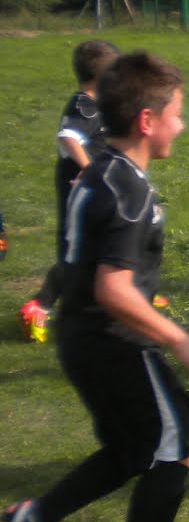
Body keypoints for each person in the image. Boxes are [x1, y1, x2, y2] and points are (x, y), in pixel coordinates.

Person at [6, 51, 189, 522]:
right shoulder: (128, 189)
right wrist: (182, 340)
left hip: (83, 337)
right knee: (177, 447)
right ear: (147, 120)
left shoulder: (102, 169)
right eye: (177, 113)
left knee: (131, 449)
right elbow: (113, 289)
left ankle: (40, 516)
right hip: (111, 339)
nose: (182, 124)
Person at [19, 38, 120, 342]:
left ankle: (128, 296)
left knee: (111, 242)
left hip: (96, 192)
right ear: (101, 75)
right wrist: (90, 170)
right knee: (78, 254)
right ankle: (39, 305)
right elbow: (68, 137)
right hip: (81, 193)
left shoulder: (96, 103)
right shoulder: (83, 106)